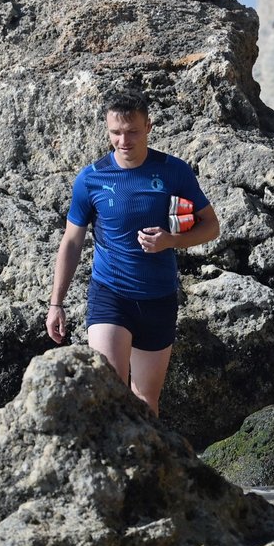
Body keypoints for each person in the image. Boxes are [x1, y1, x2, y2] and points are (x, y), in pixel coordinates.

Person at [46, 89, 220, 415]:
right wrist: (56, 303)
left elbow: (211, 226)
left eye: (132, 131)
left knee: (145, 404)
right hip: (110, 294)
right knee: (109, 393)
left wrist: (171, 241)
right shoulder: (92, 178)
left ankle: (145, 465)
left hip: (159, 297)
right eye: (115, 132)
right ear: (107, 129)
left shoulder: (173, 171)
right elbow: (71, 242)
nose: (123, 140)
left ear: (149, 126)